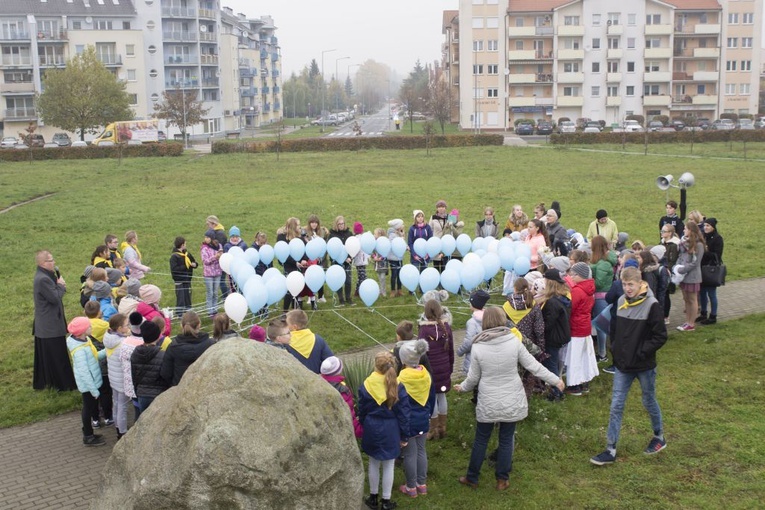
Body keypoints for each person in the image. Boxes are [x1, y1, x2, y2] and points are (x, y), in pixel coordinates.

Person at [453, 307, 564, 490]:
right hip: (512, 399)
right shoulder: (514, 341)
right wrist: (555, 380)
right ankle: (502, 479)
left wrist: (462, 387)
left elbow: (473, 378)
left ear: (485, 322)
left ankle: (472, 477)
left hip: (488, 400)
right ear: (503, 320)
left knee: (481, 439)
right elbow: (534, 366)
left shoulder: (478, 347)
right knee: (506, 439)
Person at [590, 267, 668, 466]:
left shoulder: (652, 305)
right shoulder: (620, 302)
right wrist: (616, 350)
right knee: (616, 405)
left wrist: (641, 351)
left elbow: (660, 336)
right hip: (623, 366)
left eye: (630, 284)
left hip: (644, 365)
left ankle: (659, 436)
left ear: (639, 283)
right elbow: (614, 329)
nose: (627, 289)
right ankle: (610, 449)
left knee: (648, 400)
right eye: (624, 285)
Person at [359, 351, 410, 510]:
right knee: (389, 465)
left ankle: (373, 498)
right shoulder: (398, 386)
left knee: (373, 462)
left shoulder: (366, 384)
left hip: (372, 427)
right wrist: (404, 436)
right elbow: (404, 414)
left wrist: (363, 425)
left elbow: (362, 410)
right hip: (391, 429)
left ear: (375, 365)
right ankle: (386, 501)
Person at [33, 250, 77, 391]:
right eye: (51, 260)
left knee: (52, 356)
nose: (54, 262)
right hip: (50, 325)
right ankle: (64, 384)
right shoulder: (43, 279)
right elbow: (54, 298)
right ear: (43, 263)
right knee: (58, 357)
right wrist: (61, 285)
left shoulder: (45, 276)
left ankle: (52, 382)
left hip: (46, 324)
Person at [397, 339, 435, 499]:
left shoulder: (401, 380)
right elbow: (432, 398)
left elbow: (398, 406)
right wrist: (428, 415)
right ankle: (422, 484)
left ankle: (411, 487)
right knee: (421, 451)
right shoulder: (426, 375)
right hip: (423, 419)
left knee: (410, 454)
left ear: (403, 360)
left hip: (408, 423)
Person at [66, 317, 107, 446]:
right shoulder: (79, 351)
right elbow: (84, 373)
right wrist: (93, 390)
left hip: (93, 382)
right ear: (83, 331)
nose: (91, 328)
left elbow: (94, 356)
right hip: (89, 386)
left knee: (89, 407)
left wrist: (109, 350)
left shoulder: (85, 341)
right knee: (87, 409)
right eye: (89, 327)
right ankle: (88, 436)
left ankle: (89, 432)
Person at [503, 278, 548, 396]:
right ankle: (527, 393)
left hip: (511, 342)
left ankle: (512, 392)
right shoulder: (533, 305)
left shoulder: (506, 306)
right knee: (529, 370)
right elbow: (539, 329)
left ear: (515, 289)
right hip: (530, 344)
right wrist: (541, 347)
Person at [417, 298, 454, 439]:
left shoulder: (424, 330)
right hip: (444, 368)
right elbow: (451, 349)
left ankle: (433, 430)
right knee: (442, 396)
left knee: (432, 399)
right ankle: (442, 427)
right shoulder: (447, 327)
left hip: (430, 371)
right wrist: (450, 367)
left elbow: (420, 353)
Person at [561, 262, 598, 395]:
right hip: (585, 326)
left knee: (574, 357)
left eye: (573, 274)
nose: (571, 277)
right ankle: (585, 381)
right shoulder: (589, 289)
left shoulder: (577, 291)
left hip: (576, 327)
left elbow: (571, 308)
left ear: (580, 276)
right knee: (583, 356)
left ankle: (575, 385)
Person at [538, 270, 571, 402]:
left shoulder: (552, 302)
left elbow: (548, 323)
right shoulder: (563, 297)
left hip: (553, 337)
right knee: (554, 363)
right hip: (560, 335)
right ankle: (555, 388)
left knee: (551, 364)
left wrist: (538, 330)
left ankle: (557, 392)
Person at [160, 311, 213, 386]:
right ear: (199, 325)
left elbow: (166, 373)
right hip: (205, 387)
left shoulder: (173, 347)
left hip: (180, 389)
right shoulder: (210, 344)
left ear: (181, 325)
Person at [319, 356, 363, 439]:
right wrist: (359, 430)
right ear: (339, 370)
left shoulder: (318, 383)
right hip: (343, 432)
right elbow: (348, 413)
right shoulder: (342, 390)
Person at [103, 313, 131, 439]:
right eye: (126, 325)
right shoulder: (123, 343)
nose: (128, 326)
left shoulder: (108, 338)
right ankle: (123, 432)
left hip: (113, 378)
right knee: (123, 407)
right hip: (122, 379)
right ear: (119, 328)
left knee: (116, 404)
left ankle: (117, 427)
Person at [130, 320, 168, 412]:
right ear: (157, 336)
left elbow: (133, 376)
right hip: (158, 395)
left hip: (141, 394)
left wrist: (137, 391)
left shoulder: (135, 353)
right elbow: (165, 376)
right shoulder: (162, 355)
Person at [675, 220, 706, 332]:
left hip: (692, 276)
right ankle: (687, 321)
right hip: (683, 275)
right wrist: (677, 267)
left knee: (692, 299)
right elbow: (681, 256)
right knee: (686, 299)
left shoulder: (699, 244)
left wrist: (683, 269)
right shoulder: (684, 242)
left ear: (691, 230)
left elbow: (695, 263)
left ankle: (691, 323)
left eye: (685, 228)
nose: (683, 230)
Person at [589, 236, 617, 363]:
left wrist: (587, 281)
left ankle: (602, 354)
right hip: (600, 297)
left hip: (601, 298)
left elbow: (599, 283)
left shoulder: (603, 263)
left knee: (601, 326)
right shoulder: (602, 261)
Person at [284, 309, 333, 373]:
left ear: (294, 327)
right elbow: (331, 362)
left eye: (287, 324)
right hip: (317, 379)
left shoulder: (285, 342)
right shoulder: (318, 339)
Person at [457, 290, 490, 378]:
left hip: (474, 358)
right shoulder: (489, 318)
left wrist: (460, 351)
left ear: (473, 304)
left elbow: (469, 342)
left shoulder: (472, 322)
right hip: (487, 356)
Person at [698, 218, 724, 325]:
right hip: (701, 267)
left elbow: (717, 255)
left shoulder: (718, 238)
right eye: (704, 226)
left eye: (708, 226)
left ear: (713, 227)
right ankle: (703, 313)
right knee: (702, 293)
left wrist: (705, 251)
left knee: (711, 293)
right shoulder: (703, 236)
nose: (705, 228)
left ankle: (713, 315)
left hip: (711, 269)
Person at [328, 216, 354, 305]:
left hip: (348, 262)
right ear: (336, 224)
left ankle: (348, 298)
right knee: (339, 281)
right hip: (336, 262)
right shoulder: (332, 235)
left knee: (348, 281)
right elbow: (331, 248)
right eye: (339, 224)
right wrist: (338, 259)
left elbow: (352, 246)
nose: (341, 225)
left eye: (342, 223)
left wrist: (350, 257)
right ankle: (341, 299)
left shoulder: (349, 233)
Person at [168, 236, 197, 313]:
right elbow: (174, 269)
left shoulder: (187, 254)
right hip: (179, 280)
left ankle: (189, 310)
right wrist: (186, 266)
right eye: (185, 243)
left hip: (187, 279)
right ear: (182, 245)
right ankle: (180, 312)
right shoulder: (174, 256)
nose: (186, 245)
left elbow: (194, 262)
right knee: (181, 297)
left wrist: (194, 264)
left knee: (187, 295)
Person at [660, 224, 680, 324]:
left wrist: (666, 268)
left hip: (667, 272)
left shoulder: (673, 245)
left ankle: (666, 316)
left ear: (670, 233)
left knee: (666, 294)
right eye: (662, 231)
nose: (662, 233)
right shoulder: (662, 242)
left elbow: (672, 260)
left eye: (664, 231)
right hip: (661, 270)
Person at [201, 229, 223, 317]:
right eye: (205, 237)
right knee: (210, 292)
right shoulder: (204, 248)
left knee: (215, 292)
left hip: (217, 272)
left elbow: (222, 257)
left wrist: (220, 257)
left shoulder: (219, 246)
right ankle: (210, 311)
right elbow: (205, 261)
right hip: (208, 274)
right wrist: (215, 257)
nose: (206, 239)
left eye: (208, 237)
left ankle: (215, 309)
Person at [206, 215, 230, 298]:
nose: (207, 226)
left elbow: (219, 247)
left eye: (208, 224)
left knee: (221, 280)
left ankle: (226, 297)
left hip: (221, 259)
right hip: (218, 258)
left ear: (213, 224)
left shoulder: (219, 234)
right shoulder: (216, 232)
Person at [429, 200, 452, 273]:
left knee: (444, 268)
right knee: (436, 267)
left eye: (443, 207)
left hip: (446, 245)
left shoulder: (450, 217)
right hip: (435, 245)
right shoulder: (433, 217)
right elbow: (430, 230)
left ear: (445, 208)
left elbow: (453, 229)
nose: (441, 208)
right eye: (439, 207)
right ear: (437, 208)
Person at [408, 210, 432, 274]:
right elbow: (410, 243)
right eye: (418, 217)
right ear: (415, 218)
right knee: (415, 273)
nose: (420, 218)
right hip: (415, 257)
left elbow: (431, 241)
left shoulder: (428, 227)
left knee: (424, 273)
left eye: (422, 216)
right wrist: (414, 255)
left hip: (425, 256)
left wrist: (428, 254)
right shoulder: (412, 229)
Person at [387, 219, 406, 297]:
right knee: (394, 274)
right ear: (398, 226)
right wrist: (401, 237)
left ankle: (399, 289)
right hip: (393, 258)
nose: (403, 226)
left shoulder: (399, 234)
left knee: (399, 274)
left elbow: (403, 244)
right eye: (402, 224)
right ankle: (392, 290)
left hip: (399, 257)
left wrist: (402, 236)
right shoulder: (392, 235)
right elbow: (394, 245)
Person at [352, 221, 368, 298]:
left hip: (360, 261)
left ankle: (357, 291)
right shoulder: (360, 238)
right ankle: (360, 291)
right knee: (363, 277)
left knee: (361, 276)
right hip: (361, 261)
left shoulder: (355, 238)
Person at [372, 228, 389, 297]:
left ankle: (383, 291)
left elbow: (385, 253)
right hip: (377, 263)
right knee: (379, 277)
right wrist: (374, 257)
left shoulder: (384, 242)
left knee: (383, 277)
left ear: (379, 235)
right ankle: (380, 290)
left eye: (375, 234)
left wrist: (380, 258)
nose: (374, 235)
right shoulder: (374, 243)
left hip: (383, 263)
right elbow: (372, 251)